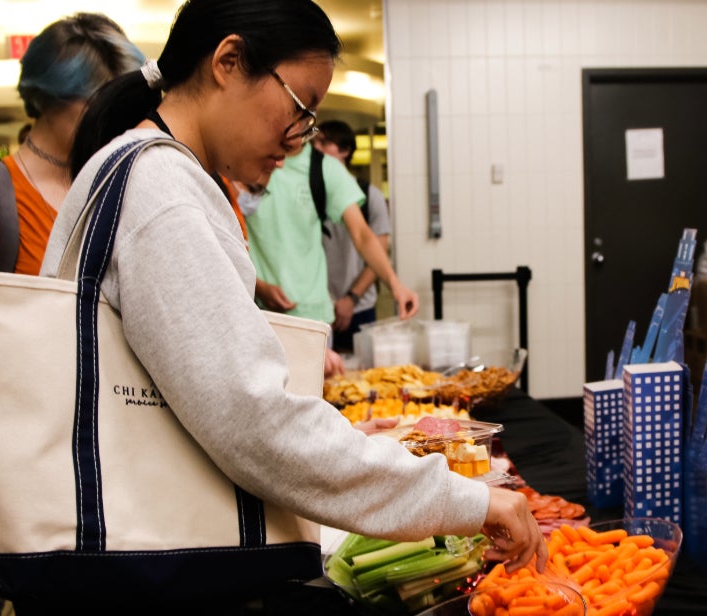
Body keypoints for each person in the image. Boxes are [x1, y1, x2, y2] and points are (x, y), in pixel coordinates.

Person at [46, 0, 545, 607]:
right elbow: (255, 423)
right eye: (300, 107)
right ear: (228, 62)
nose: (300, 138)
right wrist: (464, 498)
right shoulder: (162, 192)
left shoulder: (145, 172)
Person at [0, 13, 145, 382]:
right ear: (48, 98)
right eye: (98, 101)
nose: (113, 117)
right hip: (30, 419)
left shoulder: (119, 181)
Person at [245, 122, 417, 335]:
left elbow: (363, 235)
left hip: (313, 317)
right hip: (255, 312)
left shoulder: (325, 168)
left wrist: (396, 285)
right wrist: (259, 286)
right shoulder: (246, 159)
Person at [313, 120, 390, 352]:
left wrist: (351, 299)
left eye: (325, 142)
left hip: (360, 307)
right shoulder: (308, 192)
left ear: (345, 151)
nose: (316, 148)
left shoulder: (370, 196)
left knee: (362, 380)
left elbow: (378, 252)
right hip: (317, 307)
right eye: (313, 141)